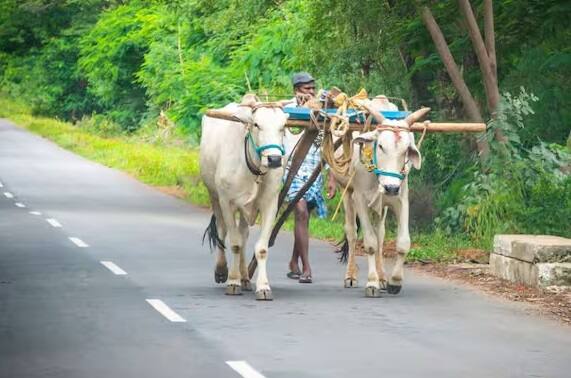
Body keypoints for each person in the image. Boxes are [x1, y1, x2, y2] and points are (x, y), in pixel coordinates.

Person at [284, 72, 336, 283]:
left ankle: (293, 261)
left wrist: (332, 177)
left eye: (313, 88)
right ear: (296, 90)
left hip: (315, 170)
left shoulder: (323, 110)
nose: (311, 92)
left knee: (303, 218)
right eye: (306, 89)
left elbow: (330, 144)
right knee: (301, 212)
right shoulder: (285, 110)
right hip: (292, 170)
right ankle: (306, 268)